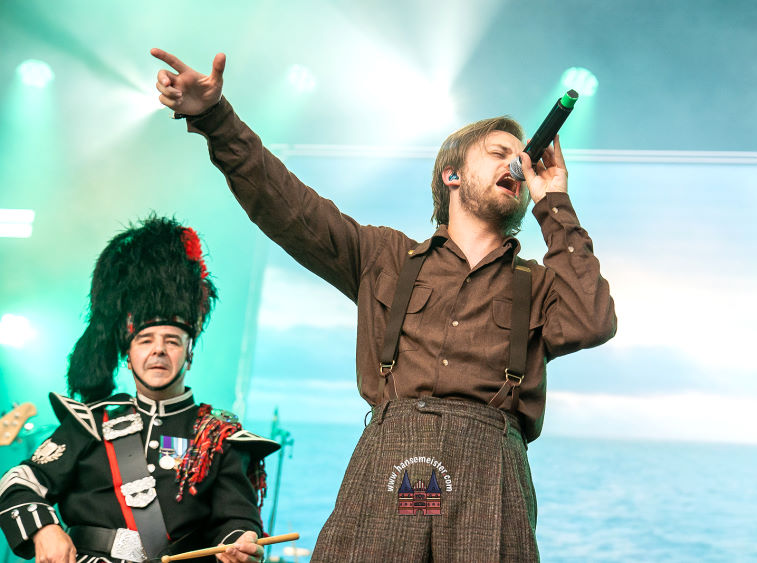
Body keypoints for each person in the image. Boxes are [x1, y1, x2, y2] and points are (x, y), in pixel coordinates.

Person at [151, 47, 616, 561]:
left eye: (521, 157)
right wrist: (216, 118)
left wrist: (554, 200)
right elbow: (287, 206)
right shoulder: (385, 257)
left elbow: (592, 321)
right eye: (498, 151)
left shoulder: (540, 284)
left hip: (492, 485)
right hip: (387, 472)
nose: (517, 162)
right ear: (452, 175)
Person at [0, 216, 279, 562]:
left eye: (172, 341)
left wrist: (242, 544)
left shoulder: (217, 436)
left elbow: (237, 522)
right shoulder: (89, 423)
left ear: (189, 354)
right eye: (145, 340)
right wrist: (45, 529)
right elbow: (19, 481)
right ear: (129, 357)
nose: (158, 350)